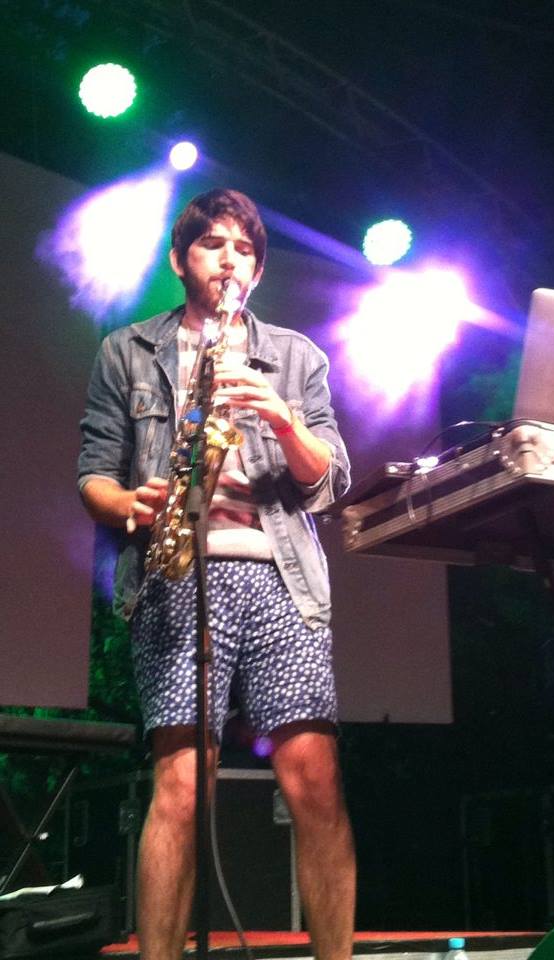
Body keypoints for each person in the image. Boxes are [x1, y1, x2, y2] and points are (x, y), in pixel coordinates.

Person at [77, 189, 355, 960]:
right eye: (212, 244)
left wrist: (282, 418)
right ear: (180, 259)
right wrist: (126, 503)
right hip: (175, 573)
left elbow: (328, 481)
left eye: (243, 248)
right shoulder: (127, 350)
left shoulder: (296, 356)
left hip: (280, 581)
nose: (228, 259)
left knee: (314, 780)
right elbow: (93, 473)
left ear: (257, 270)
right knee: (179, 784)